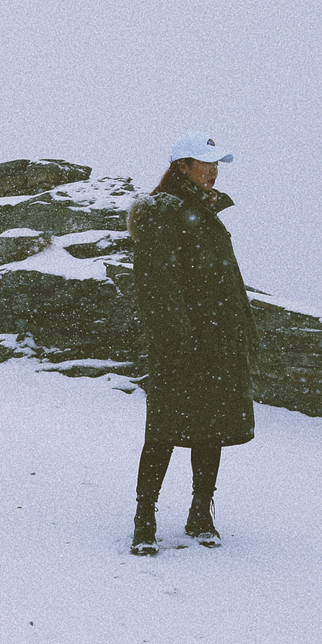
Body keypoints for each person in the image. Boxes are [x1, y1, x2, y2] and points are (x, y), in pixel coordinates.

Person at [126, 132, 258, 554]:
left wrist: (243, 333)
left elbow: (227, 283)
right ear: (181, 166)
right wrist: (178, 342)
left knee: (211, 430)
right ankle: (144, 519)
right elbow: (157, 286)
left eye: (217, 163)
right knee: (163, 431)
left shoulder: (205, 214)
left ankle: (201, 513)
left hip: (219, 342)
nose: (214, 170)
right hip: (181, 346)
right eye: (205, 163)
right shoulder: (162, 212)